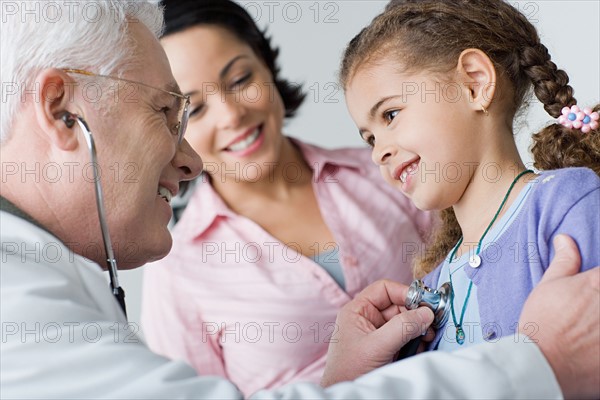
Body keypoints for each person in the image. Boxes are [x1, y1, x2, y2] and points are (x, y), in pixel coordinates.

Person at [1, 1, 599, 399]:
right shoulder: (39, 302)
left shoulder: (549, 206)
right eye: (174, 110)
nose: (189, 155)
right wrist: (536, 365)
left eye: (239, 79)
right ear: (60, 111)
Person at [140, 1, 431, 395]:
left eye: (240, 79)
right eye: (197, 109)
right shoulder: (177, 267)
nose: (232, 115)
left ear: (266, 66)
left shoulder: (384, 172)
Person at [340, 0, 600, 352]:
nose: (377, 151)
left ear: (475, 84)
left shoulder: (565, 205)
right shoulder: (427, 291)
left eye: (390, 115)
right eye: (369, 138)